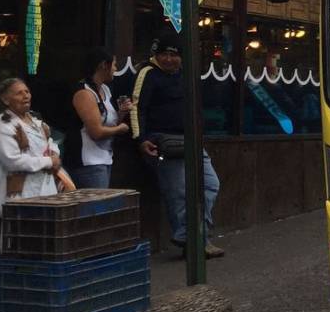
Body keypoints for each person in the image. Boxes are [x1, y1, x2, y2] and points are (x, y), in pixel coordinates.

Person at [132, 33, 224, 258]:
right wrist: (141, 138)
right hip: (164, 142)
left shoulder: (185, 75)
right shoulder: (149, 74)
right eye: (164, 54)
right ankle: (197, 241)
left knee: (210, 184)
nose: (169, 59)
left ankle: (188, 235)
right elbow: (137, 107)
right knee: (178, 195)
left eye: (174, 55)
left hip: (191, 139)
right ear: (156, 54)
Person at [0, 76, 74, 215]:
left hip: (46, 189)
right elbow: (12, 161)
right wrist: (48, 161)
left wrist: (54, 153)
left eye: (27, 92)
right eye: (19, 93)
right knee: (25, 233)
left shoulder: (35, 120)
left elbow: (50, 142)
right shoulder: (3, 124)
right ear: (5, 100)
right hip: (21, 195)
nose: (25, 96)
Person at [68, 47, 133, 189]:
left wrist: (121, 113)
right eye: (114, 65)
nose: (115, 69)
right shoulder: (84, 93)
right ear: (104, 65)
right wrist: (120, 129)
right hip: (89, 162)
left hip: (105, 158)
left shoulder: (105, 89)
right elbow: (96, 132)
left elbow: (108, 123)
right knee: (97, 208)